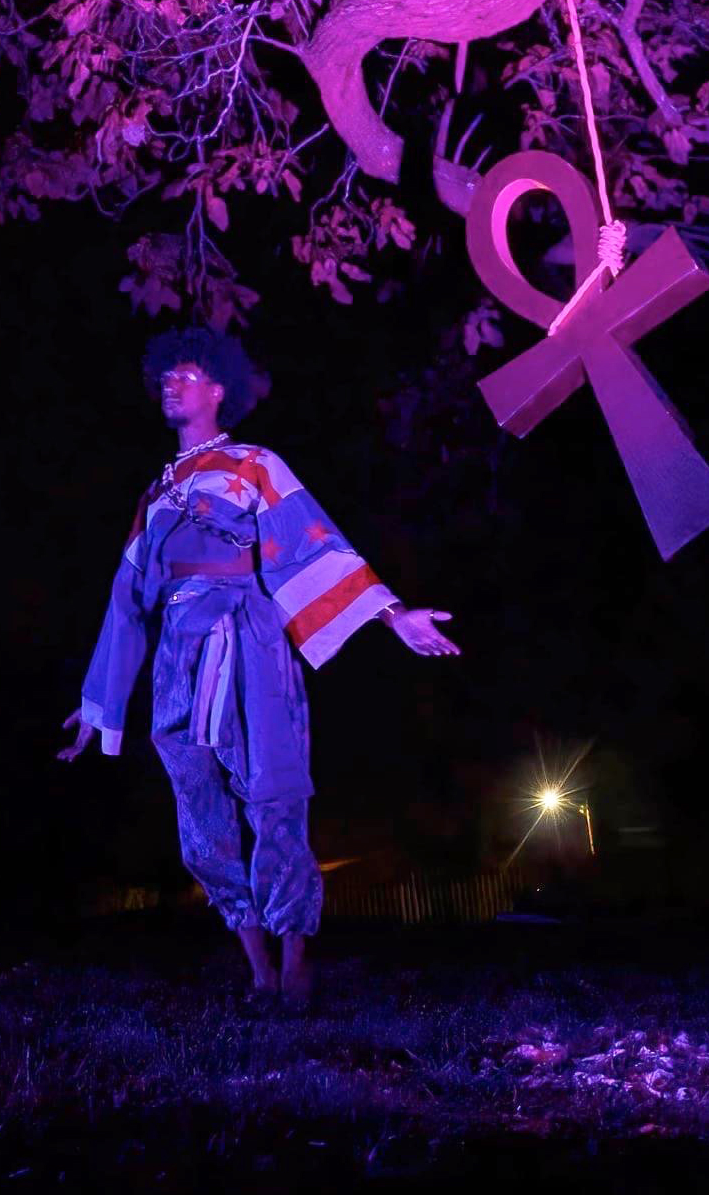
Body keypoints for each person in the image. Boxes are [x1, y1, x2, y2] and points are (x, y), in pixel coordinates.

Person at [58, 328, 460, 1001]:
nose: (170, 383)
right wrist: (97, 704)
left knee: (272, 792)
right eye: (165, 376)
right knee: (199, 808)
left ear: (217, 390)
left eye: (184, 375)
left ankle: (296, 954)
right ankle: (257, 968)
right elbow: (127, 601)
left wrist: (394, 616)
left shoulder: (253, 464)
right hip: (177, 655)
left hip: (246, 636)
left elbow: (320, 546)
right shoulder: (155, 493)